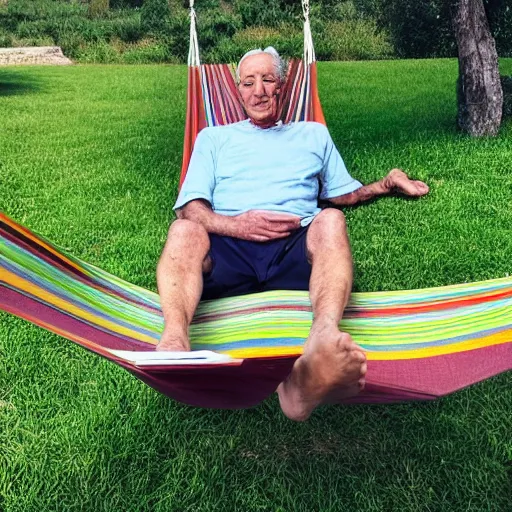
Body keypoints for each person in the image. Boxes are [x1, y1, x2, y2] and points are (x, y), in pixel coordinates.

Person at [156, 47, 429, 421]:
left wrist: (386, 183)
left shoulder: (313, 134)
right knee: (183, 230)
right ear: (237, 91)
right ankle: (174, 342)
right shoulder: (213, 138)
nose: (258, 91)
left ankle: (320, 346)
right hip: (229, 251)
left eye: (268, 80)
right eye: (248, 82)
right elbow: (192, 208)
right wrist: (239, 225)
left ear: (282, 87)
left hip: (293, 249)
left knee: (331, 219)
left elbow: (341, 194)